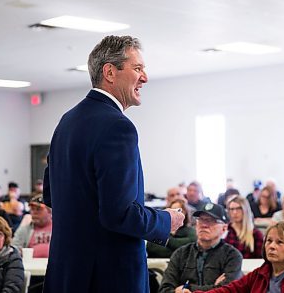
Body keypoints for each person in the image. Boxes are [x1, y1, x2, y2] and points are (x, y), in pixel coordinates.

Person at [43, 35, 184, 293]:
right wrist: (166, 220)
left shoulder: (66, 122)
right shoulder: (118, 127)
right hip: (108, 277)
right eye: (137, 68)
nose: (145, 77)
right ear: (110, 72)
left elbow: (51, 195)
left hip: (67, 274)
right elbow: (118, 214)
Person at [196, 222, 284, 293]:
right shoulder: (259, 274)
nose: (272, 246)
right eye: (269, 241)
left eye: (280, 242)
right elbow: (230, 290)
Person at [159, 203, 243, 293]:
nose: (204, 225)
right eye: (200, 220)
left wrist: (188, 289)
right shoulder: (181, 254)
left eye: (211, 221)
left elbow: (227, 290)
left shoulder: (232, 256)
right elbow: (164, 289)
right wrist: (215, 287)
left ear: (224, 228)